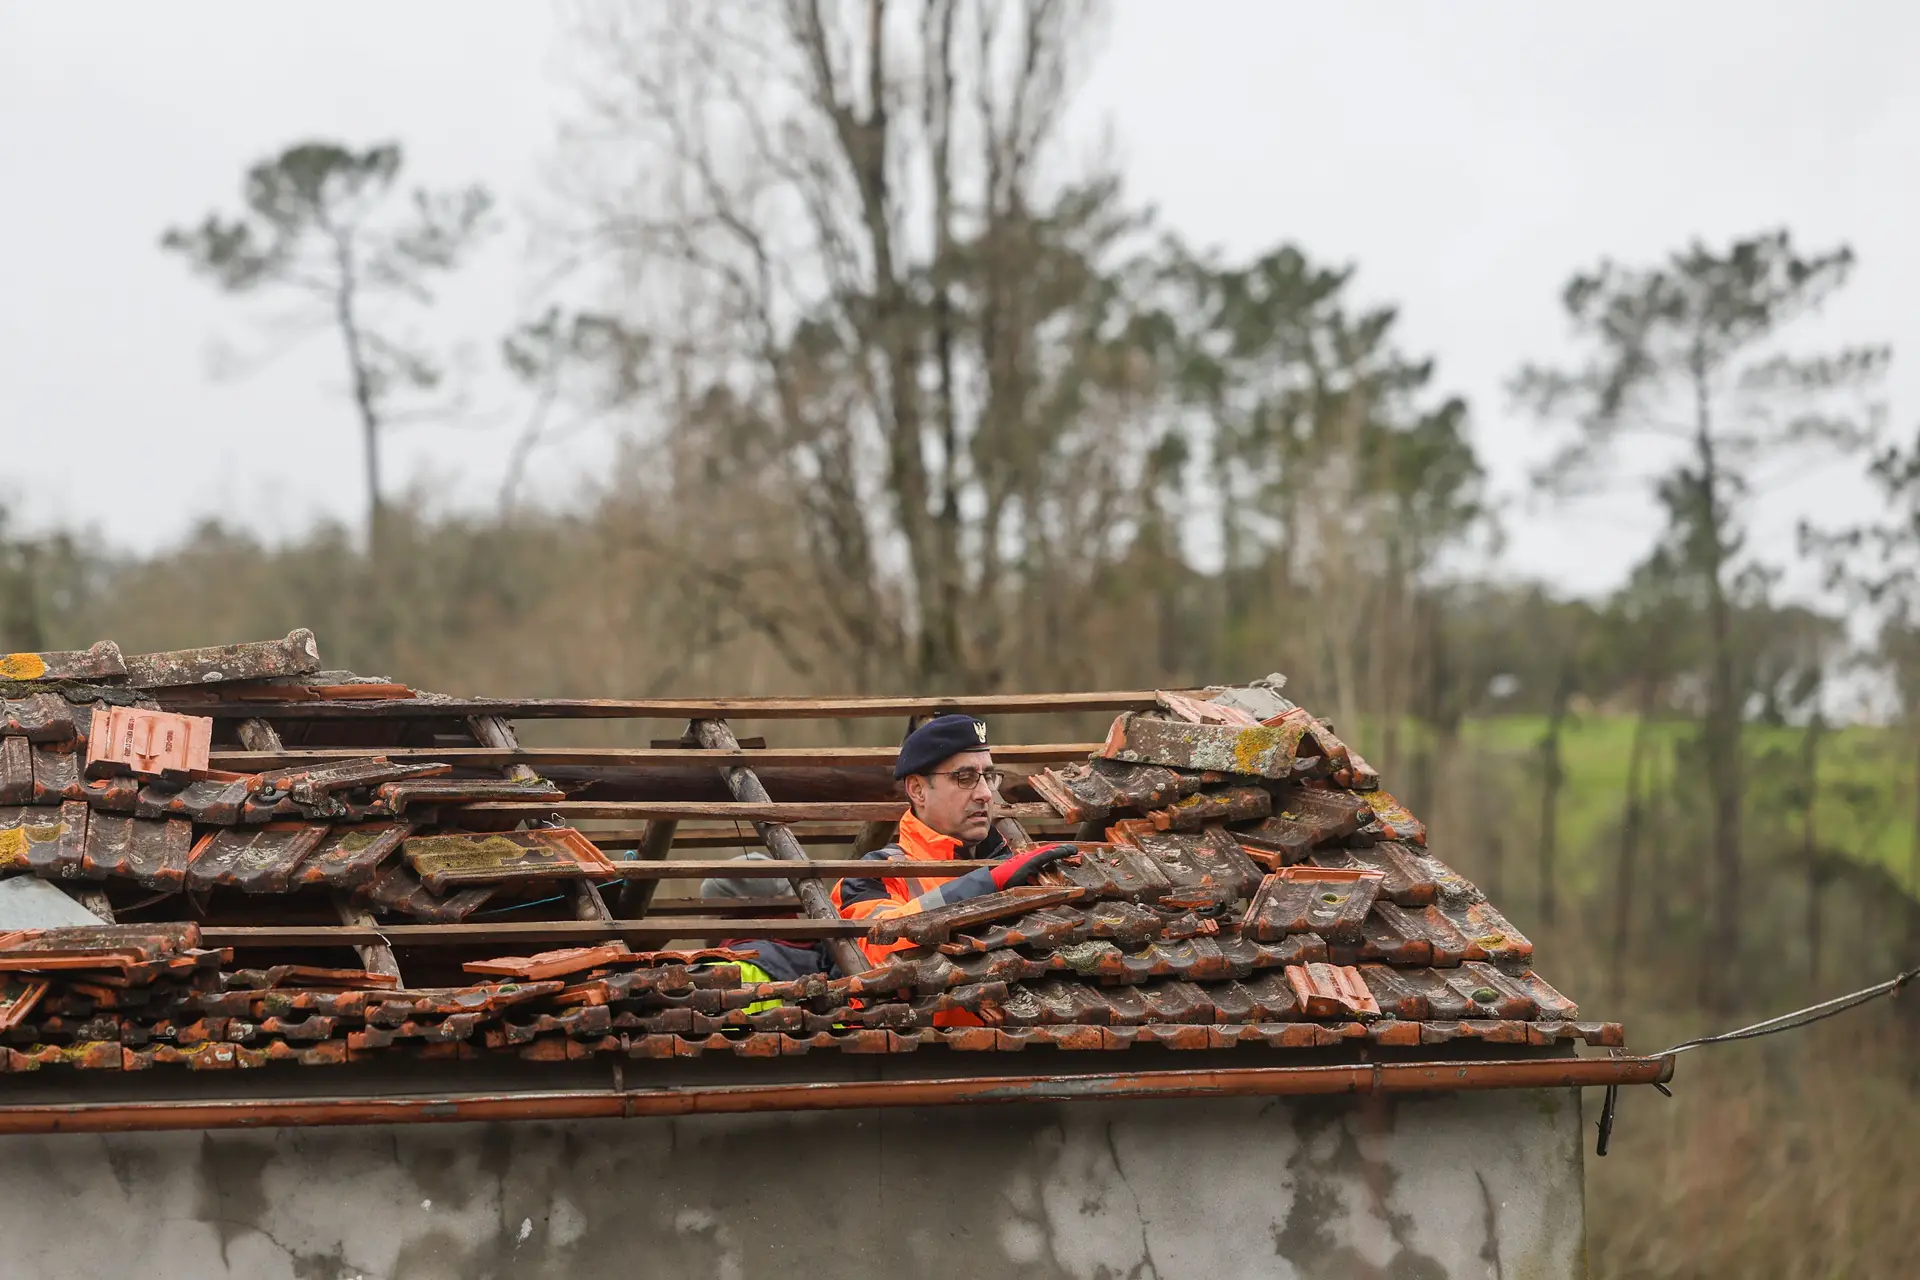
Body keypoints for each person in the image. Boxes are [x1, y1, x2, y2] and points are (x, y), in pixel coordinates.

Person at [833, 713, 1075, 972]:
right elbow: (878, 944)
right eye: (965, 777)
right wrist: (988, 884)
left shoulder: (1014, 862)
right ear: (917, 790)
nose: (984, 793)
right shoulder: (868, 877)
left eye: (988, 776)